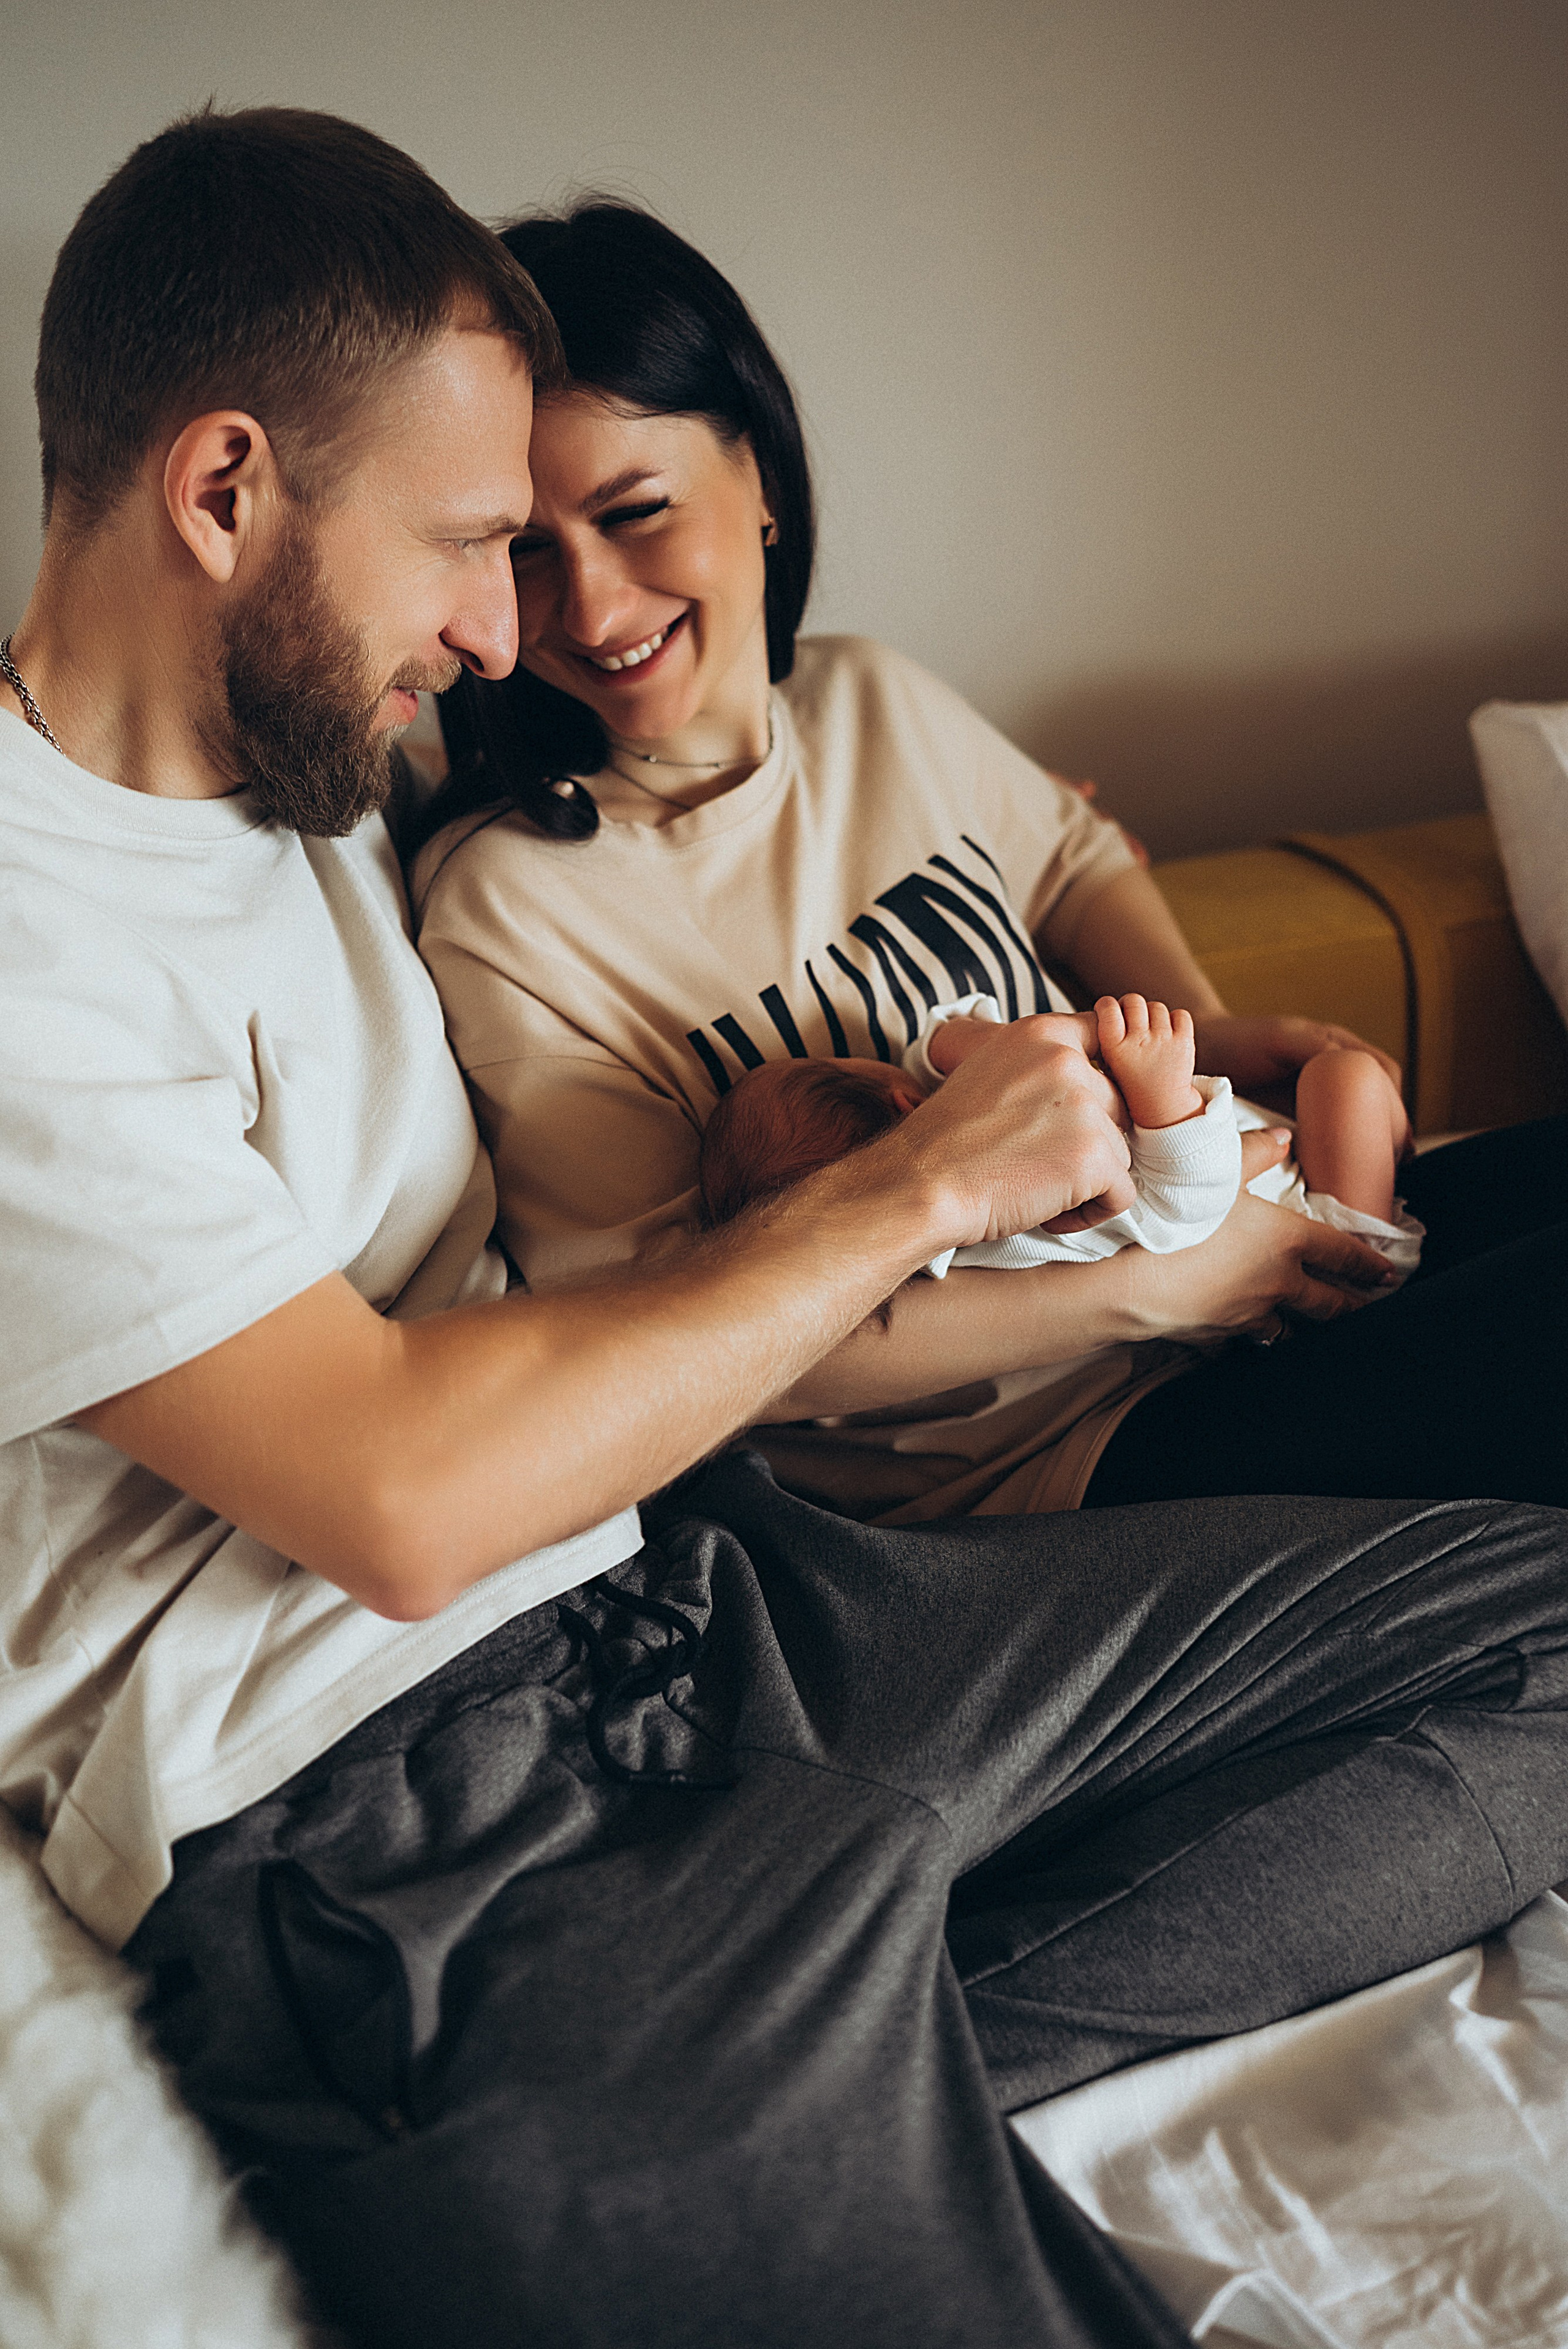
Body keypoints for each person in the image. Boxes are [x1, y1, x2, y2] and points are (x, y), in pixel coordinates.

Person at [6, 112, 1568, 2349]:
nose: (503, 630)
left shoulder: (302, 773)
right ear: (225, 488)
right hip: (381, 1810)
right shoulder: (33, 935)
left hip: (725, 1600)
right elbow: (399, 1494)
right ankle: (763, 2085)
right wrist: (916, 1184)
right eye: (468, 544)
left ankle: (862, 2032)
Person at [412, 198, 1565, 1522]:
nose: (593, 606)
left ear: (763, 482)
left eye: (635, 512)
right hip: (1059, 1449)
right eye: (526, 551)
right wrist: (1172, 1281)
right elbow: (663, 1344)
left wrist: (1205, 1041)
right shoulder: (507, 909)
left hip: (1224, 1264)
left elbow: (1067, 857)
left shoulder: (867, 700)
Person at [697, 989, 1423, 1284]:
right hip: (1319, 1238)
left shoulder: (951, 1174)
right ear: (904, 1100)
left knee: (1342, 1081)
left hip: (1259, 1150)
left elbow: (933, 1046)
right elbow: (1173, 1216)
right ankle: (1383, 1232)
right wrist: (1165, 1101)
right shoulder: (1016, 1223)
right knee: (1347, 1078)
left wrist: (966, 1044)